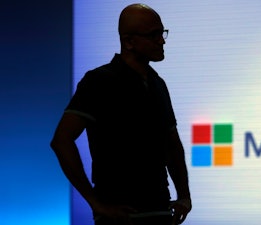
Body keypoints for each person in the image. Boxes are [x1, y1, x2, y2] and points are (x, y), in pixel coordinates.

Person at [50, 3, 191, 225]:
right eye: (154, 34)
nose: (162, 40)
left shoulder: (158, 84)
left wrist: (184, 195)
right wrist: (95, 203)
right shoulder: (99, 81)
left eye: (162, 33)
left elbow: (172, 144)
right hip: (120, 216)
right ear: (129, 41)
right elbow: (61, 140)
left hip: (161, 213)